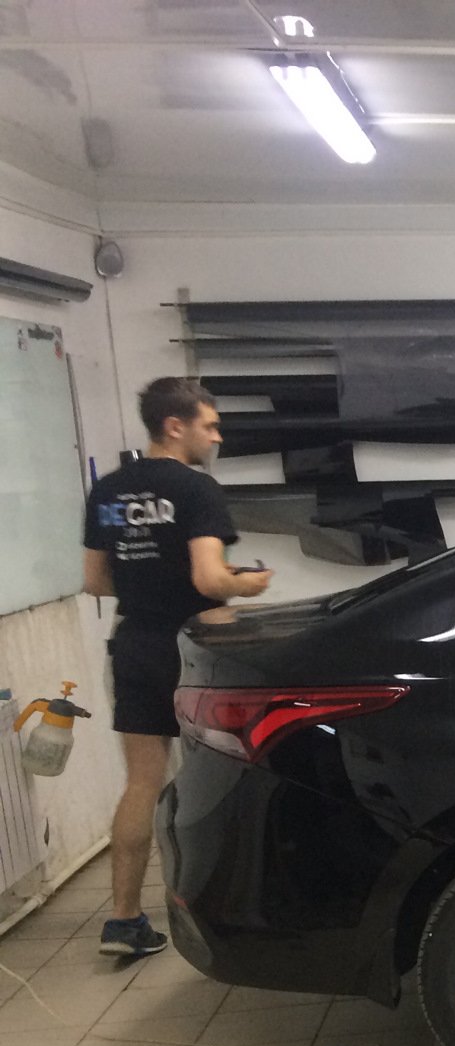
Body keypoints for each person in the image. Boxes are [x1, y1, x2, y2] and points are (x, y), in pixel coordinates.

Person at [81, 378, 272, 961]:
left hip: (136, 643)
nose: (216, 437)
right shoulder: (196, 488)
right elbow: (208, 580)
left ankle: (123, 921)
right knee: (214, 779)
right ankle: (220, 912)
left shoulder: (108, 490)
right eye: (209, 426)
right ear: (174, 425)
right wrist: (251, 582)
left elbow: (95, 581)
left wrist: (146, 584)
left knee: (142, 783)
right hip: (194, 649)